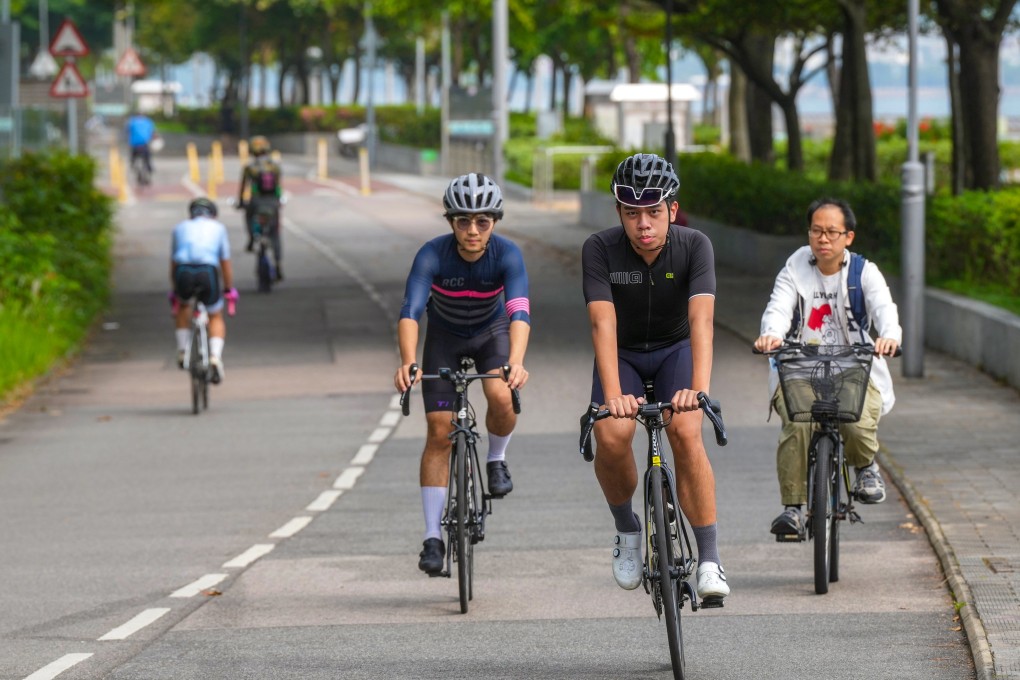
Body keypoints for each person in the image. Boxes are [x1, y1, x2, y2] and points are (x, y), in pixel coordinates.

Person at [581, 153, 729, 604]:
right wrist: (612, 397)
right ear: (620, 213)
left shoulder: (695, 245)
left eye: (652, 211)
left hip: (675, 351)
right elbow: (602, 326)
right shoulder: (599, 249)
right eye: (631, 213)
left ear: (671, 209)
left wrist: (697, 391)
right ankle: (628, 530)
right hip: (622, 354)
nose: (643, 223)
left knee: (685, 430)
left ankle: (709, 559)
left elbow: (702, 323)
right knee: (611, 435)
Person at [393, 173, 531, 575]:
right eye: (463, 221)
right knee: (439, 431)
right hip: (445, 339)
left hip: (492, 335)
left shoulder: (507, 255)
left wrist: (516, 361)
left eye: (482, 222)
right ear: (451, 221)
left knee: (502, 396)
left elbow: (519, 311)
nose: (472, 230)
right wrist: (407, 361)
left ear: (495, 222)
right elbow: (411, 311)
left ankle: (496, 459)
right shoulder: (432, 254)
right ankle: (432, 537)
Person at [753, 197, 902, 538]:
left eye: (832, 232)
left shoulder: (864, 271)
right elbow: (777, 308)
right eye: (816, 231)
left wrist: (889, 337)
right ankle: (792, 509)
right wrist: (770, 336)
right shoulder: (794, 269)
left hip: (855, 368)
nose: (823, 239)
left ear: (848, 237)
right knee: (797, 422)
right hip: (798, 368)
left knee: (857, 417)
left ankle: (865, 468)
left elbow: (884, 308)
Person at [171, 197, 236, 384]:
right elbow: (225, 262)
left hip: (183, 271)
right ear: (213, 215)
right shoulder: (218, 228)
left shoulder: (180, 228)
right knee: (215, 314)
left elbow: (173, 263)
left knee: (184, 306)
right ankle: (215, 356)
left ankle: (183, 351)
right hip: (207, 271)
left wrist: (175, 290)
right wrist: (228, 288)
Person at [237, 135, 283, 277]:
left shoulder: (250, 167)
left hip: (255, 202)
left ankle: (251, 239)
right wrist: (278, 201)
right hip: (272, 202)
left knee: (249, 217)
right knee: (275, 233)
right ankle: (278, 264)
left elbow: (243, 187)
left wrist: (240, 202)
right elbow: (278, 186)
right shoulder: (274, 166)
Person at [125, 111, 156, 182]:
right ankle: (149, 168)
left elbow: (127, 131)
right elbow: (152, 132)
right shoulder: (148, 122)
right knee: (148, 158)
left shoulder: (132, 122)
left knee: (133, 159)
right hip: (145, 144)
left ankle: (133, 165)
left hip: (134, 144)